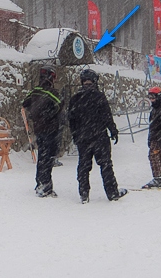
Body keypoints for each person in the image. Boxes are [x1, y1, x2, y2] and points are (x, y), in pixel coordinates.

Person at [67, 69, 127, 203]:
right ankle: (112, 193)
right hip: (99, 137)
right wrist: (113, 130)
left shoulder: (75, 99)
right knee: (106, 165)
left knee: (83, 166)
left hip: (83, 138)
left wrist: (76, 135)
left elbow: (71, 120)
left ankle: (84, 194)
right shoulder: (99, 97)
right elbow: (107, 116)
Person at [21, 65, 63, 198]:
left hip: (39, 129)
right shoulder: (52, 93)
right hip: (51, 130)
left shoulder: (35, 91)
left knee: (42, 156)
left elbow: (25, 103)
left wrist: (35, 113)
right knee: (48, 158)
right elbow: (60, 105)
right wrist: (48, 114)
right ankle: (46, 186)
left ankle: (39, 182)